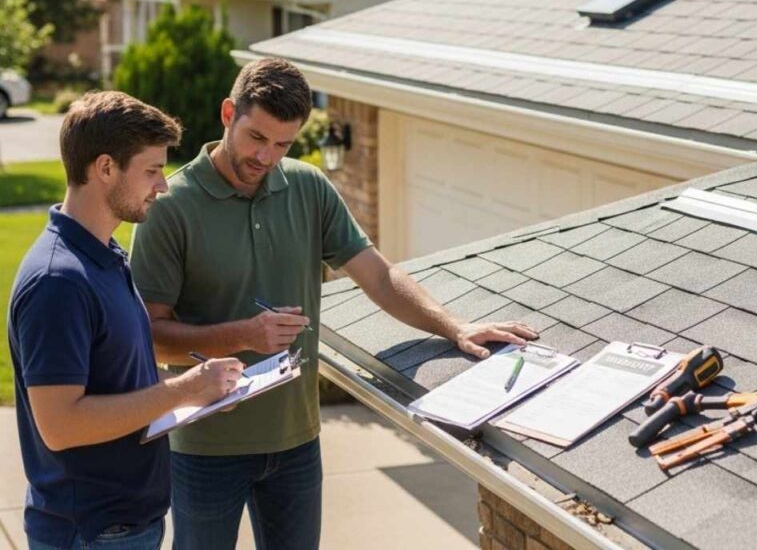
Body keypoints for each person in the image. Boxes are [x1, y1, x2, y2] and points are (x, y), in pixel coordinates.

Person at [130, 57, 539, 549]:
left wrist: (455, 326)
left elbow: (379, 276)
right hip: (205, 447)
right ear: (227, 114)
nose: (267, 157)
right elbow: (152, 338)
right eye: (257, 138)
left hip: (296, 441)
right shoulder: (171, 206)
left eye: (283, 144)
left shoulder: (308, 187)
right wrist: (243, 334)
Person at [8, 91, 244, 550]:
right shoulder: (59, 281)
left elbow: (120, 382)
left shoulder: (105, 255)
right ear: (105, 168)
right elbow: (60, 426)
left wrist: (203, 396)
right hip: (91, 533)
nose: (164, 185)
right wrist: (185, 387)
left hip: (124, 527)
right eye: (152, 170)